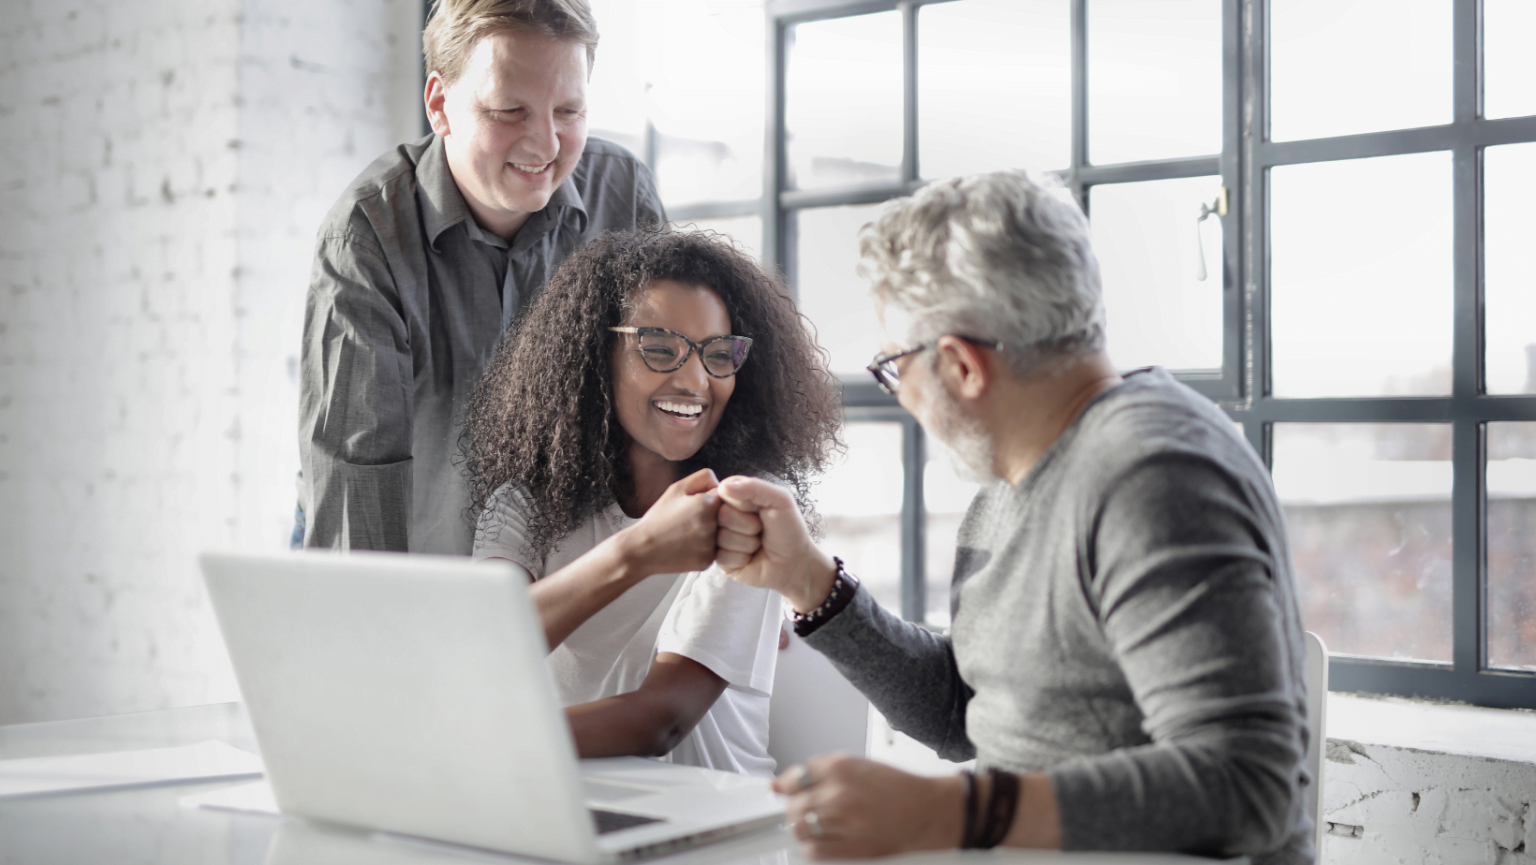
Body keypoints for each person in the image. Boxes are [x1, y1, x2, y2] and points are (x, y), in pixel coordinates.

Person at [713, 170, 1313, 861]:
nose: (901, 397)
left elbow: (1250, 787)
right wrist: (810, 580)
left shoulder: (1153, 475)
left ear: (962, 366)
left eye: (893, 368)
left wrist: (949, 810)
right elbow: (962, 711)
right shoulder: (1013, 475)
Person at [461, 227, 841, 775]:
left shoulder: (748, 510)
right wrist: (638, 550)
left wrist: (476, 740)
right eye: (659, 349)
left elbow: (661, 720)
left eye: (719, 354)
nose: (696, 381)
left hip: (712, 824)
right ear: (593, 356)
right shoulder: (522, 506)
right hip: (563, 803)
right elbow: (484, 651)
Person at [298, 0, 664, 554]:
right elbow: (357, 479)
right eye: (510, 110)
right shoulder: (366, 236)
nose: (544, 144)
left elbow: (678, 401)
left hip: (579, 590)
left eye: (569, 111)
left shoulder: (624, 197)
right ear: (440, 105)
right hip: (427, 578)